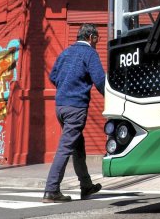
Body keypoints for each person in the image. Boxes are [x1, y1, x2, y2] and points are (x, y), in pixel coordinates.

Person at [43, 23, 106, 203]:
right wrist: (112, 98)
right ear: (91, 37)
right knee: (65, 148)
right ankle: (51, 189)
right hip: (75, 107)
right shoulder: (89, 53)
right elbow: (100, 80)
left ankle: (86, 186)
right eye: (97, 39)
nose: (97, 43)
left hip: (60, 106)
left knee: (78, 146)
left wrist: (65, 88)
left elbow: (53, 76)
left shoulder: (65, 53)